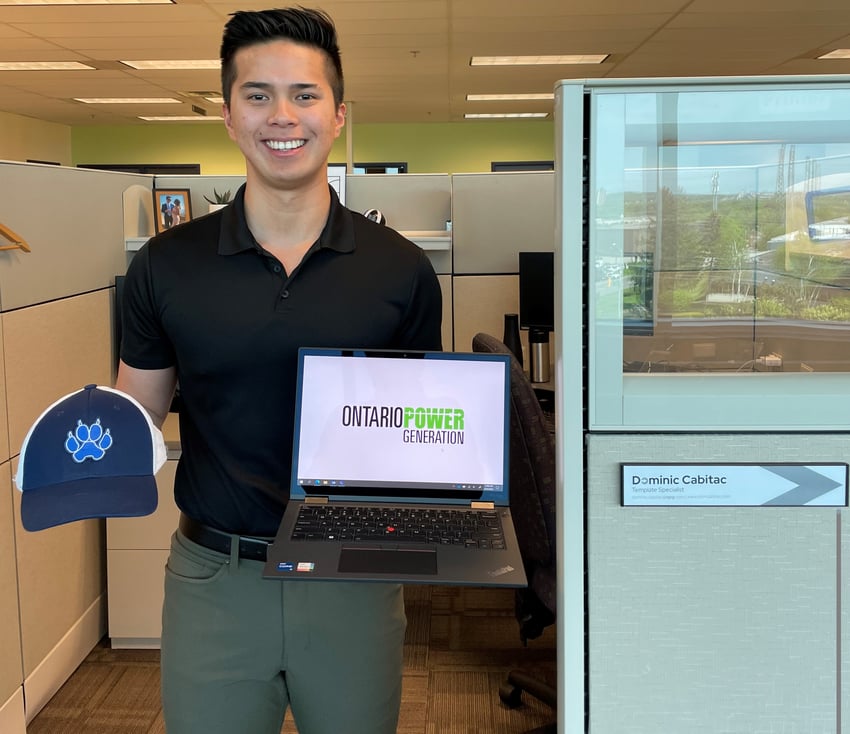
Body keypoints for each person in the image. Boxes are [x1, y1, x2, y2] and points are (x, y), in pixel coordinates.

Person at [116, 7, 442, 734]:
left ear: (337, 114)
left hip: (353, 573)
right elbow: (136, 414)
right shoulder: (166, 266)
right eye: (257, 95)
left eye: (304, 94)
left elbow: (418, 431)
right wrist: (78, 444)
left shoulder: (403, 271)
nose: (281, 116)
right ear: (229, 116)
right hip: (216, 581)